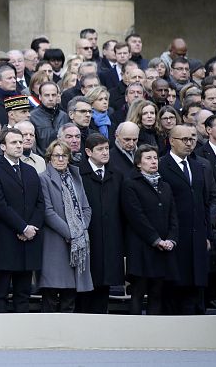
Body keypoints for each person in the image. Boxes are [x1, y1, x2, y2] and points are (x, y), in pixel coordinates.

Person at [0, 127, 44, 313]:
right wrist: (22, 227)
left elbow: (40, 203)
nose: (19, 145)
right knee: (1, 292)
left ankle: (23, 333)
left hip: (29, 240)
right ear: (2, 146)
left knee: (23, 292)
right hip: (6, 238)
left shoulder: (30, 171)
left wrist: (32, 227)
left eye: (21, 142)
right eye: (14, 142)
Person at [157, 124, 213, 314]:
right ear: (172, 141)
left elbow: (204, 202)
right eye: (185, 140)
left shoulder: (198, 166)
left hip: (196, 236)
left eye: (192, 139)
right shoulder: (162, 165)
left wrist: (207, 235)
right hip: (174, 237)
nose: (190, 143)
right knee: (174, 288)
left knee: (195, 287)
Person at [121, 144, 178, 315]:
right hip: (141, 247)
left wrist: (172, 239)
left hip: (163, 249)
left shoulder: (165, 185)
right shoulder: (131, 184)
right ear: (138, 163)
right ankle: (134, 335)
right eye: (148, 158)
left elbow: (173, 215)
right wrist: (156, 240)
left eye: (155, 158)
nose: (153, 162)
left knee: (156, 292)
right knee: (138, 291)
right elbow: (136, 216)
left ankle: (154, 334)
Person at [37, 140, 93, 312]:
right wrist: (71, 234)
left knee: (70, 295)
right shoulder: (43, 179)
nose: (60, 159)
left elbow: (86, 208)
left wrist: (81, 230)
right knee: (51, 294)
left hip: (77, 244)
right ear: (49, 158)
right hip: (55, 242)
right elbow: (48, 212)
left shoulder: (75, 178)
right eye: (56, 155)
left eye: (64, 155)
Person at [77, 133, 125, 313]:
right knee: (85, 285)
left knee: (104, 284)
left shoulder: (116, 175)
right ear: (88, 151)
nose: (105, 153)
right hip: (87, 237)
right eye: (100, 149)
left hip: (110, 238)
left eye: (107, 148)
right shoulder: (78, 174)